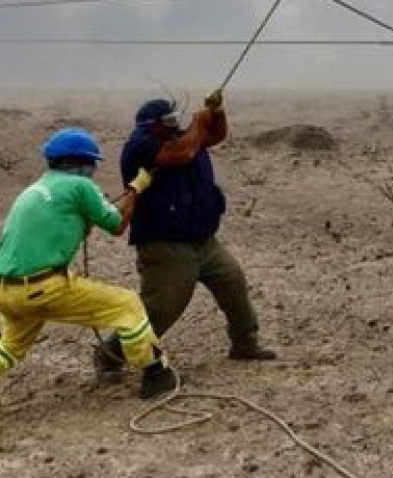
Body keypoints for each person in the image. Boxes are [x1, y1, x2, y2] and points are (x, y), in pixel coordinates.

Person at [0, 127, 177, 427]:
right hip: (43, 287)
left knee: (8, 347)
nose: (93, 170)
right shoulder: (80, 185)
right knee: (127, 304)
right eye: (92, 164)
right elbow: (116, 224)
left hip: (5, 291)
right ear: (80, 162)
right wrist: (136, 188)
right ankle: (155, 373)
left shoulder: (35, 188)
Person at [93, 88, 273, 379]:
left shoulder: (185, 137)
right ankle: (110, 354)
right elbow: (184, 153)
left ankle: (245, 343)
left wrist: (216, 113)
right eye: (167, 120)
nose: (174, 123)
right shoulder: (140, 147)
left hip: (204, 239)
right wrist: (199, 122)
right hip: (165, 244)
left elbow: (216, 136)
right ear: (151, 125)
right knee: (162, 307)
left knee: (233, 284)